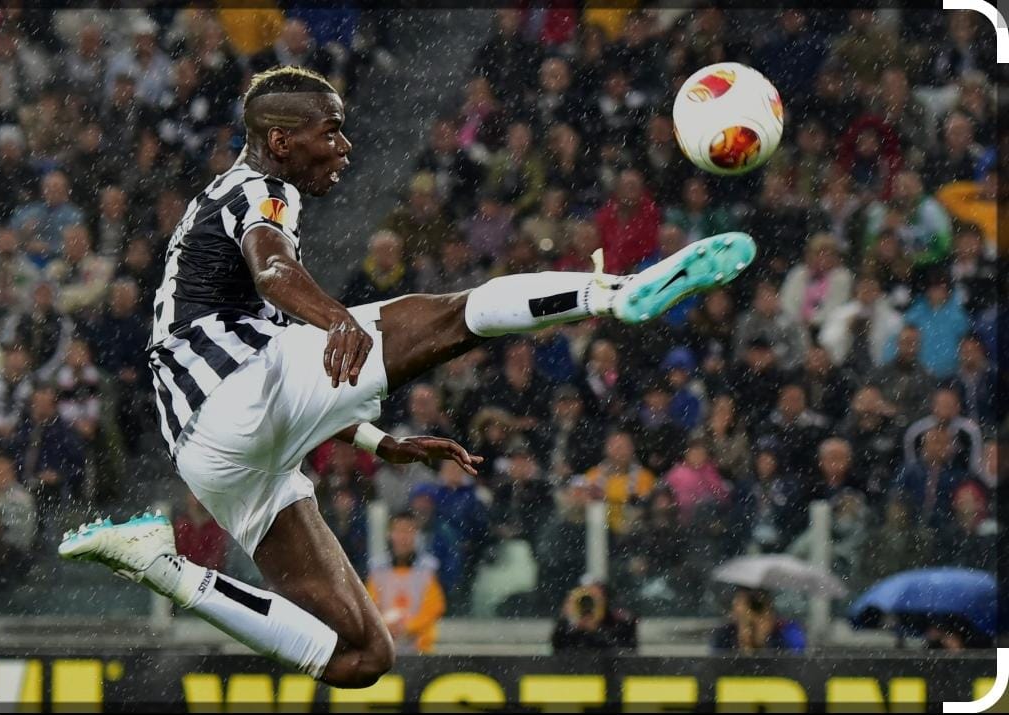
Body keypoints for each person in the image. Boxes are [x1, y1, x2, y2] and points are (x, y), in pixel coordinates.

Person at [59, 65, 756, 688]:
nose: (344, 146)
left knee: (362, 655)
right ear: (279, 141)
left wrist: (376, 440)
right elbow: (272, 268)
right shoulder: (262, 190)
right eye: (329, 132)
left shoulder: (221, 195)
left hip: (211, 451)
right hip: (234, 392)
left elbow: (269, 344)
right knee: (456, 315)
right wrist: (335, 318)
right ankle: (612, 295)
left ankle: (164, 569)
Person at [366, 512, 446, 655]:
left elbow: (434, 607)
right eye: (399, 531)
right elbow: (369, 606)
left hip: (421, 649)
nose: (403, 537)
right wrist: (385, 626)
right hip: (384, 648)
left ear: (416, 535)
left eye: (409, 531)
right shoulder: (378, 569)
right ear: (390, 534)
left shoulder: (428, 568)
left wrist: (408, 627)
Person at [551, 578, 637, 652]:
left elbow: (622, 652)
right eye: (584, 598)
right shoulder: (566, 628)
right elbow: (559, 649)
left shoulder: (619, 623)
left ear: (605, 599)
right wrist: (571, 622)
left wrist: (595, 630)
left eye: (594, 597)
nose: (588, 604)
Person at [709, 588, 806, 653]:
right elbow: (716, 664)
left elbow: (796, 657)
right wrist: (743, 644)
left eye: (756, 607)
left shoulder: (785, 631)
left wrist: (762, 640)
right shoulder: (725, 634)